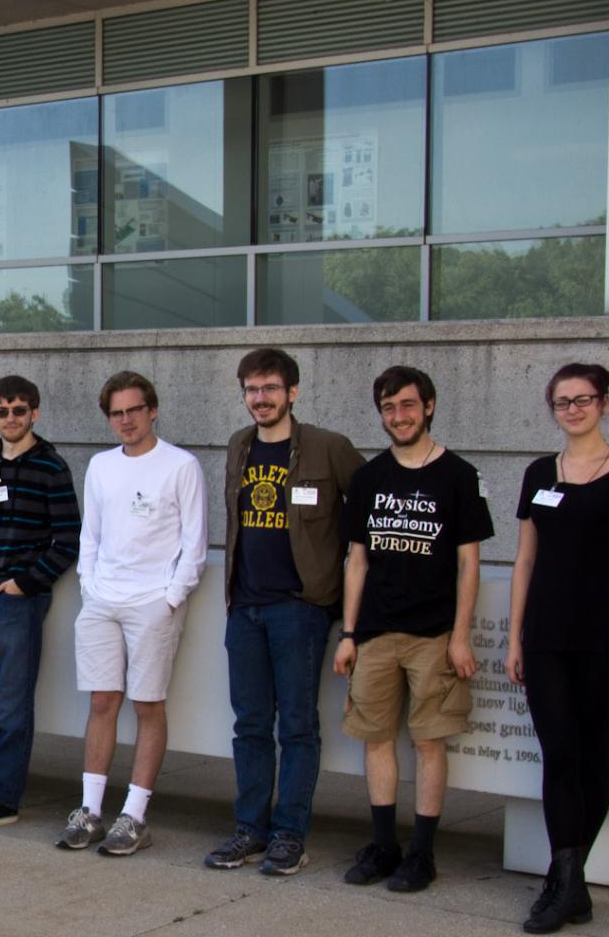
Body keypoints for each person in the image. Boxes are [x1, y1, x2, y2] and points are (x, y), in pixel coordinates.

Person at [509, 363, 609, 934]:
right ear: (552, 409)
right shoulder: (538, 473)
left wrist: (606, 570)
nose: (573, 410)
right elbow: (525, 561)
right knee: (557, 753)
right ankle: (567, 881)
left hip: (608, 634)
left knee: (591, 751)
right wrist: (514, 638)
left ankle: (565, 883)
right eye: (562, 402)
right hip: (548, 635)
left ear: (604, 403)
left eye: (584, 399)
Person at [333, 366, 493, 891]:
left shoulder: (459, 475)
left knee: (429, 743)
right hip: (376, 633)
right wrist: (350, 634)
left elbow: (470, 564)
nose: (398, 416)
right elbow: (357, 561)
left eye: (406, 405)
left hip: (434, 634)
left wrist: (461, 635)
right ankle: (383, 845)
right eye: (388, 408)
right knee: (374, 738)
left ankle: (421, 854)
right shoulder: (369, 478)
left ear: (428, 406)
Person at [207, 348, 363, 875]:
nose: (261, 398)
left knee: (297, 726)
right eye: (252, 389)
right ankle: (250, 828)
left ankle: (289, 834)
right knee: (250, 724)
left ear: (292, 392)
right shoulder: (239, 446)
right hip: (244, 607)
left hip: (300, 610)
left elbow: (366, 514)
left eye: (271, 388)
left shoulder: (328, 448)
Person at [57, 372, 205, 854]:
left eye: (134, 410)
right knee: (101, 702)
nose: (126, 420)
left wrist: (170, 598)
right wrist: (90, 585)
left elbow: (194, 543)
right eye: (117, 413)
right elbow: (91, 535)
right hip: (103, 600)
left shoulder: (180, 465)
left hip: (153, 603)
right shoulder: (100, 466)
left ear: (152, 410)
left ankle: (135, 815)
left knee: (147, 705)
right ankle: (91, 809)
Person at [0, 375, 81, 829]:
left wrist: (26, 582)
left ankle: (0, 797)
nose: (11, 419)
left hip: (18, 602)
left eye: (19, 411)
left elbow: (69, 539)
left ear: (34, 414)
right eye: (2, 412)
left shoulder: (51, 466)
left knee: (12, 706)